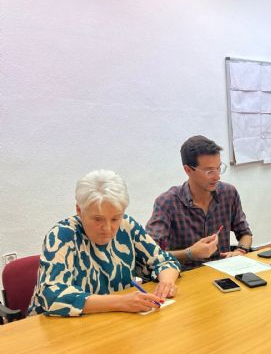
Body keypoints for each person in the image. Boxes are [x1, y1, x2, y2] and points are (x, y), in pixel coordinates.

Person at [29, 170, 181, 316]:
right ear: (79, 211)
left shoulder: (126, 226)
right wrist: (120, 302)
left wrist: (166, 283)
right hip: (56, 328)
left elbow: (164, 260)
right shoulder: (62, 236)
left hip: (111, 321)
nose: (107, 228)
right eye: (98, 219)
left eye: (115, 218)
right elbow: (52, 296)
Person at [146, 135, 253, 271]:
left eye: (218, 168)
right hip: (184, 277)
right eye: (209, 171)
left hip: (222, 272)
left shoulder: (229, 193)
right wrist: (189, 253)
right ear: (188, 170)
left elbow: (245, 234)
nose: (217, 176)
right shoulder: (168, 202)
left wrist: (240, 251)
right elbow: (150, 254)